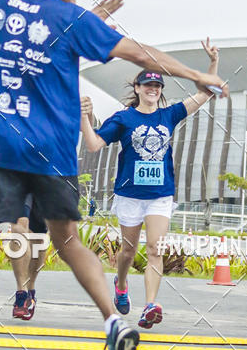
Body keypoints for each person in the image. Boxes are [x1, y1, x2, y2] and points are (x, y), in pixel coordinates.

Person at [0, 0, 227, 350]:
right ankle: (114, 324)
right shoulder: (71, 19)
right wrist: (199, 74)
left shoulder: (0, 1)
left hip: (0, 146)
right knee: (68, 243)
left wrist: (89, 21)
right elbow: (140, 54)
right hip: (52, 151)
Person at [0, 0, 123, 322]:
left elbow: (90, 132)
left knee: (42, 237)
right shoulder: (13, 77)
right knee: (19, 225)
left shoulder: (64, 83)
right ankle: (19, 289)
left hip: (53, 168)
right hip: (16, 162)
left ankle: (30, 286)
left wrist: (86, 113)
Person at [80, 39, 220, 328]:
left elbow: (207, 92)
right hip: (130, 195)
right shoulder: (123, 118)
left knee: (156, 248)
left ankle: (150, 305)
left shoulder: (170, 114)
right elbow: (94, 144)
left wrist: (213, 63)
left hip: (160, 195)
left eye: (157, 86)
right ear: (137, 89)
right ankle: (120, 284)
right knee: (128, 252)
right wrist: (84, 118)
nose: (153, 90)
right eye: (147, 85)